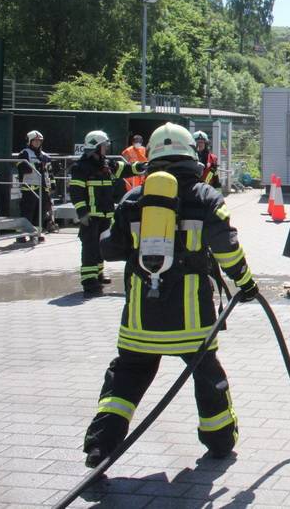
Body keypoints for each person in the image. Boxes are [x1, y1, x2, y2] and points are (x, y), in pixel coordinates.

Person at [82, 122, 258, 468]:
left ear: (153, 157)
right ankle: (220, 443)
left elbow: (110, 249)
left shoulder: (133, 199)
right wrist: (247, 284)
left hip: (139, 321)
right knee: (207, 376)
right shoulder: (206, 197)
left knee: (125, 380)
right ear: (191, 155)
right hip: (192, 322)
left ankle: (99, 447)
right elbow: (227, 248)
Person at [69, 130, 145, 294]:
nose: (107, 148)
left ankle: (98, 274)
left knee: (101, 246)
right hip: (90, 216)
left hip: (105, 215)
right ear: (96, 147)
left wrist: (141, 167)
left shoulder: (106, 164)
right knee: (90, 247)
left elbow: (125, 169)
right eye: (104, 145)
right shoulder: (81, 168)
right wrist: (82, 213)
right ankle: (89, 281)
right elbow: (76, 192)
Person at [15, 130, 59, 239]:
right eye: (35, 141)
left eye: (39, 141)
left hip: (43, 188)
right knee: (27, 212)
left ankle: (36, 233)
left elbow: (50, 173)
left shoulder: (45, 156)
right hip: (29, 188)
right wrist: (36, 166)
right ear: (30, 141)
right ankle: (22, 235)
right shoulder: (24, 153)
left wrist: (53, 184)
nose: (38, 143)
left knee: (41, 212)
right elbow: (21, 168)